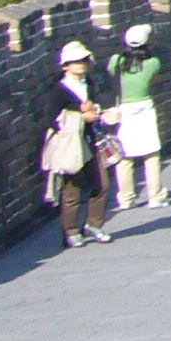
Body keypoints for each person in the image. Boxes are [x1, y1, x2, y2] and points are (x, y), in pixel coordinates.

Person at [47, 41, 112, 248]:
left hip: (89, 140)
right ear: (65, 66)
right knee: (72, 191)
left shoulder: (88, 84)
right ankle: (71, 231)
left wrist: (97, 110)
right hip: (69, 144)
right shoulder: (59, 90)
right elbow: (52, 120)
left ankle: (93, 224)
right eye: (76, 61)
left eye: (84, 60)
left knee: (101, 184)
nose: (81, 64)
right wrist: (81, 115)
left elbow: (93, 106)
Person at [108, 24, 169, 210]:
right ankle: (155, 196)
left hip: (124, 110)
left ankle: (126, 199)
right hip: (145, 108)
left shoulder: (116, 61)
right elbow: (153, 79)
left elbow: (111, 72)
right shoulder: (153, 63)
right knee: (151, 154)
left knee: (124, 156)